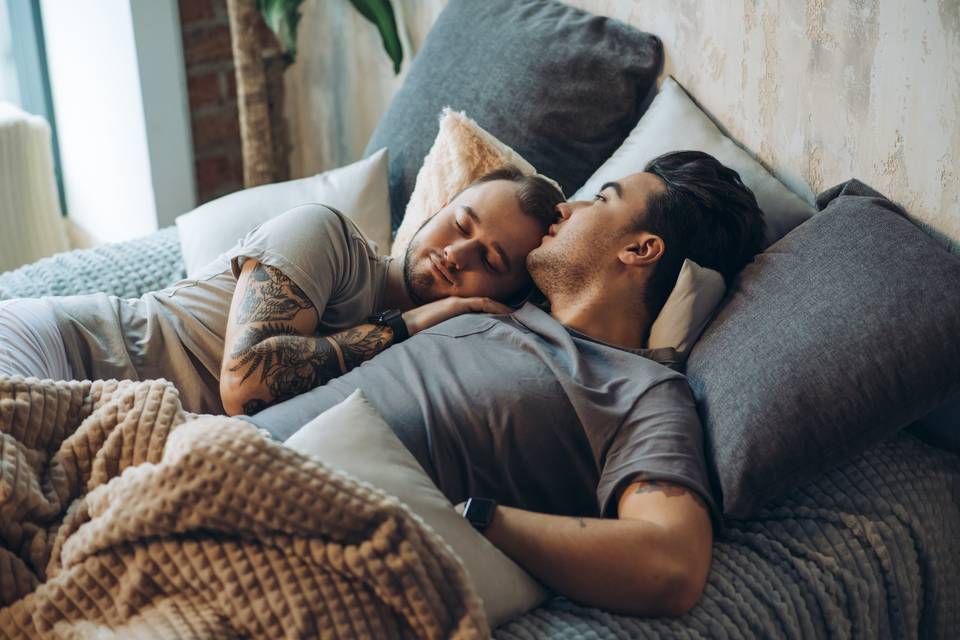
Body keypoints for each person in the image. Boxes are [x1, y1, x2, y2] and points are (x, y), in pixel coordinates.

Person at [240, 150, 767, 617]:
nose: (565, 209)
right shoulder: (494, 304)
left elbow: (671, 563)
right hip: (222, 450)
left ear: (640, 250)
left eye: (602, 199)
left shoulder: (639, 389)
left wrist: (479, 521)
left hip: (287, 544)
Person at [0, 166, 564, 415]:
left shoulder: (450, 354)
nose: (457, 253)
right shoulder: (328, 236)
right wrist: (403, 325)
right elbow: (246, 384)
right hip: (65, 349)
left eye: (489, 259)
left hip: (114, 417)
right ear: (440, 205)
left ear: (508, 296)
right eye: (462, 224)